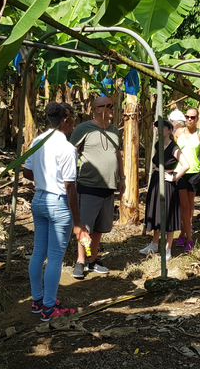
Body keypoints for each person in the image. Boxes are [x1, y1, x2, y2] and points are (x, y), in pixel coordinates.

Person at [23, 102, 87, 321]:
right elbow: (70, 187)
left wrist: (44, 177)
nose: (74, 122)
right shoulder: (67, 149)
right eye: (73, 118)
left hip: (39, 198)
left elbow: (27, 172)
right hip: (58, 202)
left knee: (39, 251)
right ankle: (49, 307)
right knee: (55, 257)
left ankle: (37, 300)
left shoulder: (38, 140)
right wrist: (77, 222)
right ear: (65, 121)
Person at [70, 95, 124, 279]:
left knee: (100, 227)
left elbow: (118, 156)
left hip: (108, 186)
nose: (112, 109)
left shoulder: (115, 131)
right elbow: (71, 153)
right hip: (88, 185)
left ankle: (92, 260)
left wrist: (122, 178)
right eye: (108, 106)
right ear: (97, 109)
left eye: (112, 106)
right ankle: (80, 260)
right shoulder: (83, 129)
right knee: (85, 226)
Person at [139, 119, 189, 259]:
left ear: (169, 130)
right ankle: (154, 244)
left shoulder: (174, 147)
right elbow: (156, 160)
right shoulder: (158, 144)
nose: (157, 130)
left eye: (160, 127)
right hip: (156, 180)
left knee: (167, 214)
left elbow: (186, 165)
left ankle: (167, 248)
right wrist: (155, 169)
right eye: (156, 127)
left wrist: (173, 177)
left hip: (167, 184)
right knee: (156, 212)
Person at [174, 107, 200, 251]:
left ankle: (186, 235)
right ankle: (185, 235)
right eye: (187, 117)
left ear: (197, 119)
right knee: (183, 206)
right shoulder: (178, 133)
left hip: (194, 172)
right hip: (180, 171)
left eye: (193, 117)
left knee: (190, 206)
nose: (190, 119)